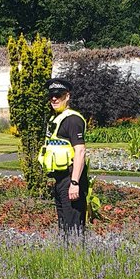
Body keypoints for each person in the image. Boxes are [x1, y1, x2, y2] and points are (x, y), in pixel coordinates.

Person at [43, 77, 89, 234]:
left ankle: (76, 257)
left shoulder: (73, 120)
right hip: (59, 180)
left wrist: (74, 183)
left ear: (67, 96)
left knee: (73, 227)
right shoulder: (55, 119)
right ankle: (66, 256)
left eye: (58, 94)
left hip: (71, 179)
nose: (54, 99)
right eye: (51, 95)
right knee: (64, 227)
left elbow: (80, 151)